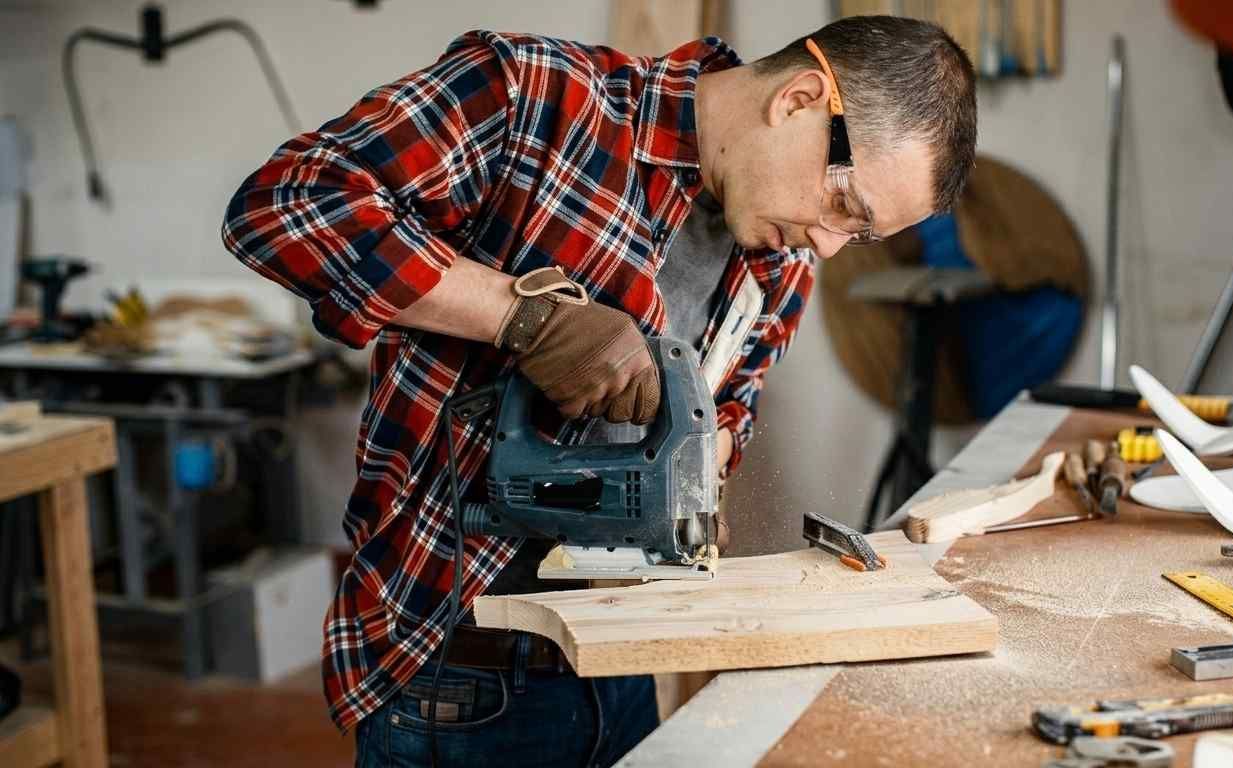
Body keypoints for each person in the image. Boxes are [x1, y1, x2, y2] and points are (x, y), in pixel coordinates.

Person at [222, 14, 975, 767]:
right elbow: (286, 205)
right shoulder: (534, 100)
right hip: (459, 675)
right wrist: (522, 319)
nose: (831, 242)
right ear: (802, 99)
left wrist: (700, 463)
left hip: (621, 667)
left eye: (862, 237)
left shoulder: (779, 260)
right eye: (846, 206)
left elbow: (730, 408)